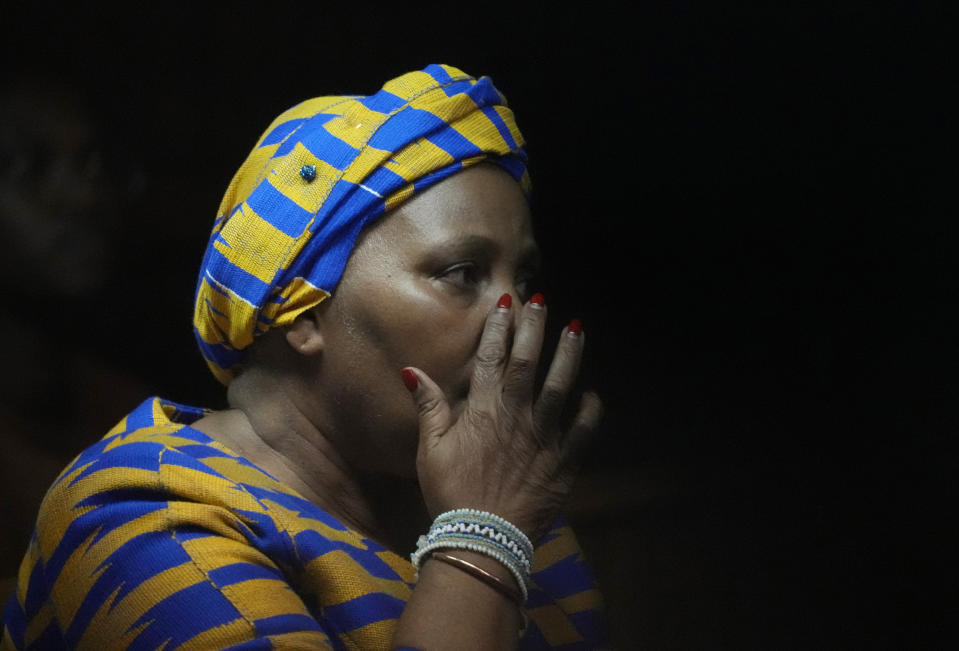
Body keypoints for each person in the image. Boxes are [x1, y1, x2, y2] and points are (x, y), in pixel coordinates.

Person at [1, 64, 607, 650]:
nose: (517, 312)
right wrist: (481, 544)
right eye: (462, 273)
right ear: (303, 311)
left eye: (523, 279)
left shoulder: (511, 506)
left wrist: (488, 524)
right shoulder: (147, 527)